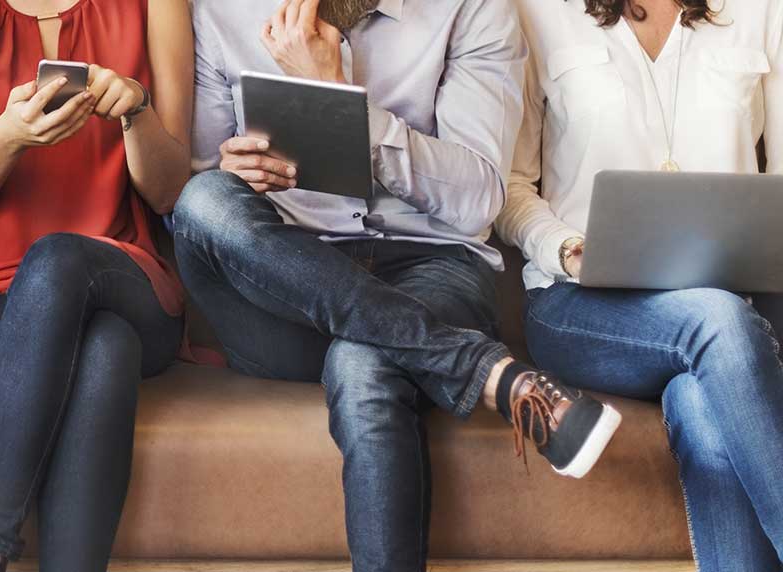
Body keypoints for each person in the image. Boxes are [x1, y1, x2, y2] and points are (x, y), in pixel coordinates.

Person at [175, 0, 628, 570]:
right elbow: (199, 180)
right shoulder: (222, 10)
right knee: (204, 201)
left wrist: (335, 96)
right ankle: (479, 368)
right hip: (285, 290)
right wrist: (231, 169)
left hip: (430, 265)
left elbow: (477, 199)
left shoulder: (472, 8)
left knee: (364, 362)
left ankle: (442, 355)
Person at [0, 0, 197, 568]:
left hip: (126, 275)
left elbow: (169, 193)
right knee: (106, 347)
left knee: (59, 258)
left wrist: (136, 110)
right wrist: (8, 138)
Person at [499, 0, 783, 568]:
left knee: (701, 402)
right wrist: (564, 247)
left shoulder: (762, 10)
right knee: (718, 321)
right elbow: (508, 186)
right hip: (578, 304)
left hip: (724, 313)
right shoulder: (536, 11)